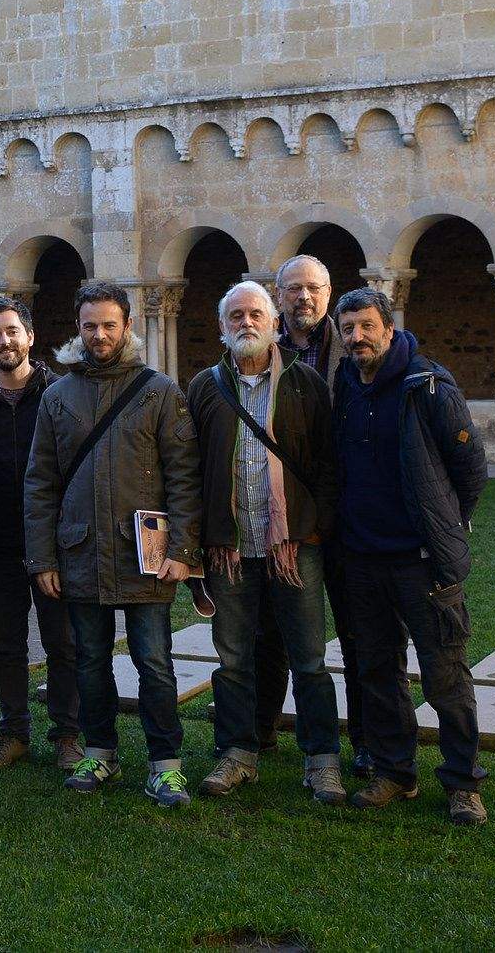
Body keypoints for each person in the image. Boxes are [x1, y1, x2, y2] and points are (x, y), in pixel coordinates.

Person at [23, 282, 200, 807]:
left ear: (127, 327)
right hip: (80, 552)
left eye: (109, 325)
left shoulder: (159, 391)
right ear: (78, 329)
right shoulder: (58, 396)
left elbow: (184, 476)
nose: (99, 335)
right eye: (89, 326)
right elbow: (41, 481)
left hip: (145, 555)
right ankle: (100, 753)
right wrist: (43, 558)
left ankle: (165, 765)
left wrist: (182, 550)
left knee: (155, 662)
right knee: (91, 662)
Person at [330, 286, 491, 826]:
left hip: (421, 560)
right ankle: (396, 772)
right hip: (362, 558)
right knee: (378, 671)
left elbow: (470, 470)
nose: (356, 338)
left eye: (365, 326)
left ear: (389, 328)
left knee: (445, 674)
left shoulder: (428, 385)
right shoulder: (345, 384)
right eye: (347, 328)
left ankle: (463, 782)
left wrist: (444, 525)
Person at [183, 281, 344, 805]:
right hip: (230, 547)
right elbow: (188, 470)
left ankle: (322, 760)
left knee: (310, 658)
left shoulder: (306, 385)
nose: (246, 323)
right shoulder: (204, 387)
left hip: (292, 547)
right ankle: (237, 753)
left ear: (275, 323)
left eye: (256, 314)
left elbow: (325, 464)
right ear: (222, 327)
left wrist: (313, 527)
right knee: (232, 659)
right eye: (235, 316)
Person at [0, 297, 81, 772]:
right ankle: (13, 732)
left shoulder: (60, 393)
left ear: (30, 336)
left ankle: (67, 734)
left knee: (62, 643)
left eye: (12, 331)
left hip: (54, 542)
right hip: (0, 543)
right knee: (6, 645)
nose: (4, 341)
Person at [268, 253, 369, 774]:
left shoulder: (355, 347)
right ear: (278, 295)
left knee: (360, 635)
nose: (303, 298)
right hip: (288, 519)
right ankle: (261, 735)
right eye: (293, 290)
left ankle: (369, 744)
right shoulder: (263, 352)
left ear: (328, 293)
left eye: (313, 288)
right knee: (280, 633)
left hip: (350, 515)